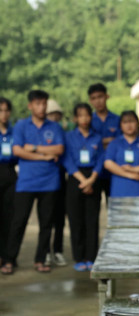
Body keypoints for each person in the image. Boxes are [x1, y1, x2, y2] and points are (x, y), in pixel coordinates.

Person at [2, 90, 64, 274]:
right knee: (18, 222)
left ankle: (40, 259)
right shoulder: (21, 126)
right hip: (26, 182)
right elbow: (18, 151)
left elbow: (59, 149)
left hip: (49, 182)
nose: (42, 107)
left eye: (44, 103)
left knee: (46, 224)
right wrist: (45, 157)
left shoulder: (55, 127)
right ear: (30, 106)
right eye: (37, 104)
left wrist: (35, 148)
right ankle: (9, 259)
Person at [63, 103, 104, 272]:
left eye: (87, 115)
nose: (84, 119)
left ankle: (91, 257)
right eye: (80, 115)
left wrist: (92, 179)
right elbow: (67, 160)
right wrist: (83, 181)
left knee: (91, 220)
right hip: (75, 178)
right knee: (76, 220)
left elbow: (101, 159)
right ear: (75, 118)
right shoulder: (69, 137)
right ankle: (79, 258)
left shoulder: (97, 137)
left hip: (93, 178)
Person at [104, 111, 139, 197]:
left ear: (137, 123)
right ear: (120, 125)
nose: (129, 125)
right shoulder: (115, 143)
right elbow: (108, 163)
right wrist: (130, 175)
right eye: (125, 122)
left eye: (132, 121)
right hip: (119, 192)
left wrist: (133, 169)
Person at [44, 99, 67, 267]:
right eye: (51, 115)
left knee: (59, 218)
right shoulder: (41, 134)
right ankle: (44, 251)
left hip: (61, 178)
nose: (54, 118)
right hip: (45, 180)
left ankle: (57, 250)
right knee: (46, 217)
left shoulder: (63, 133)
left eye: (57, 115)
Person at [88, 83, 120, 199]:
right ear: (90, 100)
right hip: (93, 170)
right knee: (93, 208)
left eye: (100, 97)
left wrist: (98, 142)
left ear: (107, 96)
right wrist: (109, 141)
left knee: (113, 205)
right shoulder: (88, 120)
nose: (98, 101)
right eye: (94, 98)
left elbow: (120, 143)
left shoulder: (118, 119)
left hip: (114, 170)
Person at [0, 97, 17, 273]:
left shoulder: (14, 132)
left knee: (9, 218)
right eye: (0, 110)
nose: (3, 114)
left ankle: (8, 258)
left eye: (6, 110)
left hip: (10, 172)